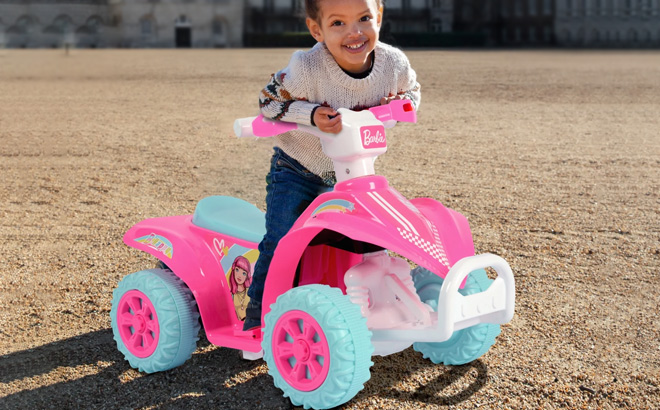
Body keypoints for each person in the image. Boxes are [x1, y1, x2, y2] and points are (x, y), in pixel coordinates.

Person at [243, 0, 421, 330]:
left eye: (364, 18)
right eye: (338, 23)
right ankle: (259, 316)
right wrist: (308, 114)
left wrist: (402, 104)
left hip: (353, 174)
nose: (354, 32)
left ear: (379, 17)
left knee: (372, 238)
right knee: (282, 238)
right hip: (298, 169)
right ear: (317, 30)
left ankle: (370, 306)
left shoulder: (393, 64)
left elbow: (412, 91)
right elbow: (268, 101)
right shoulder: (307, 67)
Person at [229, 255, 252, 321]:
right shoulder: (231, 295)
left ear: (247, 275)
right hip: (238, 328)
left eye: (244, 273)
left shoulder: (251, 292)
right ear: (233, 269)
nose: (239, 275)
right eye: (237, 270)